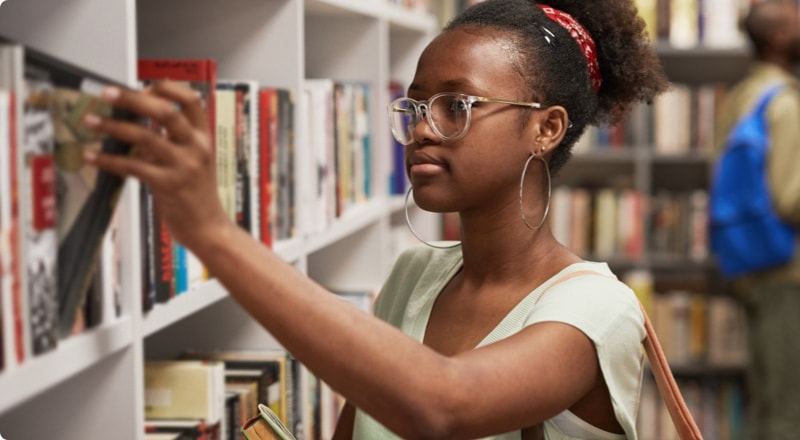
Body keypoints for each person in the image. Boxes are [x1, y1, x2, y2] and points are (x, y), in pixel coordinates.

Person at [83, 0, 668, 438]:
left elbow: (443, 404)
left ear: (547, 128)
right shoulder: (416, 275)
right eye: (414, 105)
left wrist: (214, 234)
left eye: (456, 106)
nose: (420, 129)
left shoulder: (597, 308)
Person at [713, 2, 800, 439]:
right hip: (790, 265)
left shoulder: (738, 96)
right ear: (776, 37)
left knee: (766, 401)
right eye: (795, 23)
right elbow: (792, 195)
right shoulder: (785, 99)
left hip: (749, 263)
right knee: (792, 408)